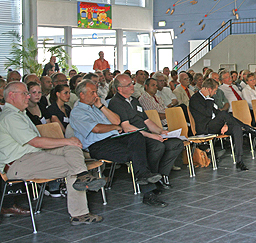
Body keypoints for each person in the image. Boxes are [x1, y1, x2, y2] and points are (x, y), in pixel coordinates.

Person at [0, 82, 106, 225]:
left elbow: (37, 145)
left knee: (73, 146)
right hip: (19, 163)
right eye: (25, 93)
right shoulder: (10, 117)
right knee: (73, 165)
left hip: (34, 155)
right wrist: (66, 141)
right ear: (11, 96)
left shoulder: (19, 114)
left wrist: (69, 142)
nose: (28, 96)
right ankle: (80, 213)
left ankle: (82, 177)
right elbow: (36, 142)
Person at [70, 80, 169, 206]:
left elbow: (116, 121)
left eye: (96, 91)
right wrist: (113, 128)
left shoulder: (97, 107)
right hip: (98, 145)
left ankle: (144, 177)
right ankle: (148, 190)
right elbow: (97, 129)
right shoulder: (77, 112)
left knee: (137, 137)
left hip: (114, 139)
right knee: (139, 153)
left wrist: (101, 106)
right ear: (82, 95)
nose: (96, 95)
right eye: (92, 92)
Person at [108, 75, 184, 190]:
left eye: (132, 83)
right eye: (128, 85)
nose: (132, 86)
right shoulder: (116, 103)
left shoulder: (134, 101)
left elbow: (147, 120)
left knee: (175, 143)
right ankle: (151, 177)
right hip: (134, 137)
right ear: (120, 88)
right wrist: (151, 135)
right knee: (157, 146)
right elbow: (126, 127)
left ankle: (162, 175)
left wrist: (161, 131)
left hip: (147, 133)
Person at [189, 78, 256, 171]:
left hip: (216, 125)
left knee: (236, 128)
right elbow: (208, 113)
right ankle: (247, 128)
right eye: (215, 91)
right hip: (205, 128)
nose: (215, 93)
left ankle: (239, 161)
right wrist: (208, 98)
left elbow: (216, 113)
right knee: (224, 114)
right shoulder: (195, 99)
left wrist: (225, 124)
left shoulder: (210, 99)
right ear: (209, 89)